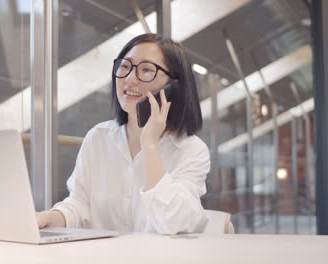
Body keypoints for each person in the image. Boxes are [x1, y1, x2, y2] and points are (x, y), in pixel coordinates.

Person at [36, 33, 210, 235]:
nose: (129, 79)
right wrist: (48, 217)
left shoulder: (191, 150)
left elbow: (175, 223)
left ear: (173, 86)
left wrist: (150, 146)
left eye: (146, 70)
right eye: (125, 66)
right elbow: (79, 205)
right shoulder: (98, 137)